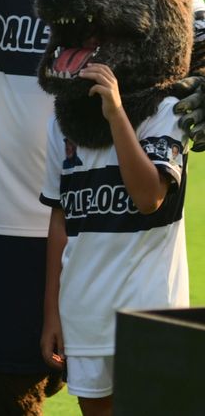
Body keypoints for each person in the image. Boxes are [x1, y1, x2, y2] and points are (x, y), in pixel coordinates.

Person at [40, 63, 188, 413]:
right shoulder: (61, 123)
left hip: (151, 314)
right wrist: (52, 315)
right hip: (84, 314)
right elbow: (59, 220)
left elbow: (148, 197)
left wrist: (117, 115)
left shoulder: (167, 110)